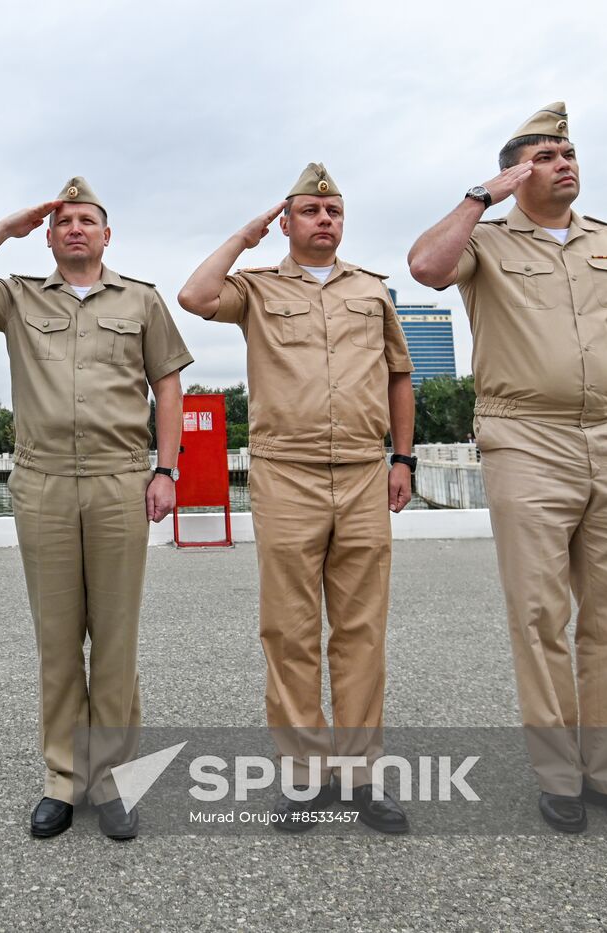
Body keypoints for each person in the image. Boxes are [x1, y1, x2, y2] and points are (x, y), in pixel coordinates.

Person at [407, 102, 607, 836]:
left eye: (571, 152)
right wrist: (481, 194)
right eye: (549, 154)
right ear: (518, 168)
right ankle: (559, 774)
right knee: (538, 612)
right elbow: (427, 268)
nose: (567, 162)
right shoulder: (485, 242)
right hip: (526, 437)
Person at [0, 177, 191, 840]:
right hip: (42, 483)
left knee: (115, 640)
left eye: (87, 220)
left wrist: (167, 469)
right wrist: (6, 227)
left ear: (108, 235)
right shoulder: (18, 296)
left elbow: (167, 386)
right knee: (56, 641)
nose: (75, 228)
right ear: (49, 235)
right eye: (64, 220)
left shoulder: (142, 300)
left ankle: (111, 781)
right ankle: (61, 779)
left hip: (119, 482)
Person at [177, 164, 416, 833]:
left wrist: (404, 457)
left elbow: (401, 376)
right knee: (290, 629)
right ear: (286, 221)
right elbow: (194, 296)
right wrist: (245, 238)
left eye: (333, 209)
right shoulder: (254, 287)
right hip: (288, 472)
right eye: (309, 209)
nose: (324, 219)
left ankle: (362, 774)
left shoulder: (371, 289)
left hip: (367, 471)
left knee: (362, 629)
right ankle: (306, 777)